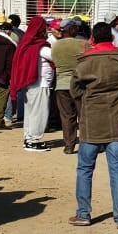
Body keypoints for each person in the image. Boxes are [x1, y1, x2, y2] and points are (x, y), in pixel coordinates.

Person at [70, 22, 118, 230]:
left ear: (92, 38)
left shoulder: (85, 61)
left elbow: (74, 91)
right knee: (117, 169)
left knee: (84, 168)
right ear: (111, 37)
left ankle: (83, 214)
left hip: (92, 121)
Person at [9, 16, 54, 152]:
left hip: (30, 83)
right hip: (40, 83)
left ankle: (29, 138)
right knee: (39, 113)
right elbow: (56, 56)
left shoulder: (27, 43)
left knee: (31, 113)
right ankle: (33, 141)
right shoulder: (40, 47)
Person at [52, 19, 87, 153]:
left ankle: (69, 145)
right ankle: (85, 143)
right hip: (79, 85)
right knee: (83, 116)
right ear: (71, 29)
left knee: (67, 117)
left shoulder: (55, 46)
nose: (78, 30)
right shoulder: (83, 44)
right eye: (76, 28)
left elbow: (55, 63)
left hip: (61, 85)